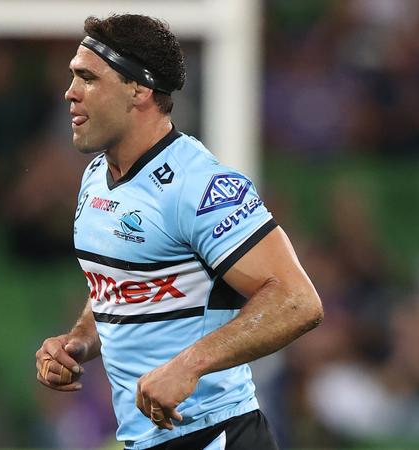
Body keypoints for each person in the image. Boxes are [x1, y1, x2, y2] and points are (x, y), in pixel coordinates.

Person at [35, 14, 323, 450]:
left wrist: (190, 365)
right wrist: (77, 342)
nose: (70, 93)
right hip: (146, 440)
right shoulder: (97, 176)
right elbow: (124, 284)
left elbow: (298, 301)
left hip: (215, 434)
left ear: (139, 89)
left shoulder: (199, 185)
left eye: (88, 78)